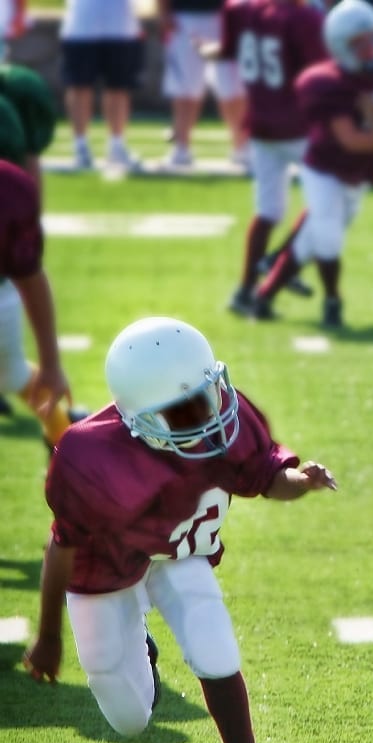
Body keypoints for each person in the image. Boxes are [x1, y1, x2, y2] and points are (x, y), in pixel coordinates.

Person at [23, 316, 337, 743]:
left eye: (206, 397)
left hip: (179, 555)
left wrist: (300, 480)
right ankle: (138, 645)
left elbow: (263, 475)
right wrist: (50, 636)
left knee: (216, 649)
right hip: (105, 572)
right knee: (129, 720)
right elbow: (60, 546)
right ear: (137, 418)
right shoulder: (90, 457)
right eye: (180, 412)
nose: (205, 419)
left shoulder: (226, 416)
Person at [252, 0, 373, 329]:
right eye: (359, 43)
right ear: (340, 47)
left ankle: (265, 294)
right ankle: (333, 301)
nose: (370, 49)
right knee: (327, 237)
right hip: (324, 169)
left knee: (314, 237)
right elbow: (351, 139)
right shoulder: (327, 82)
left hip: (357, 173)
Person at [217, 0, 327, 317]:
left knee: (267, 211)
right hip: (298, 124)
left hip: (261, 123)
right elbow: (319, 74)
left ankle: (245, 288)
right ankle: (279, 260)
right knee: (329, 198)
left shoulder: (240, 9)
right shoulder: (303, 18)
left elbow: (227, 51)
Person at [0, 159, 73, 449]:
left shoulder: (9, 189)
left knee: (15, 373)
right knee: (15, 373)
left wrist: (51, 365)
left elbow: (30, 275)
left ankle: (69, 448)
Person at [157, 0, 248, 168]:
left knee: (231, 86)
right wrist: (163, 12)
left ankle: (241, 148)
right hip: (184, 17)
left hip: (224, 15)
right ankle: (181, 148)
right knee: (185, 86)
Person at [60, 0, 144, 170]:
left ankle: (116, 146)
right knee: (79, 86)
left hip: (121, 26)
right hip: (81, 25)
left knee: (119, 88)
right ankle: (80, 146)